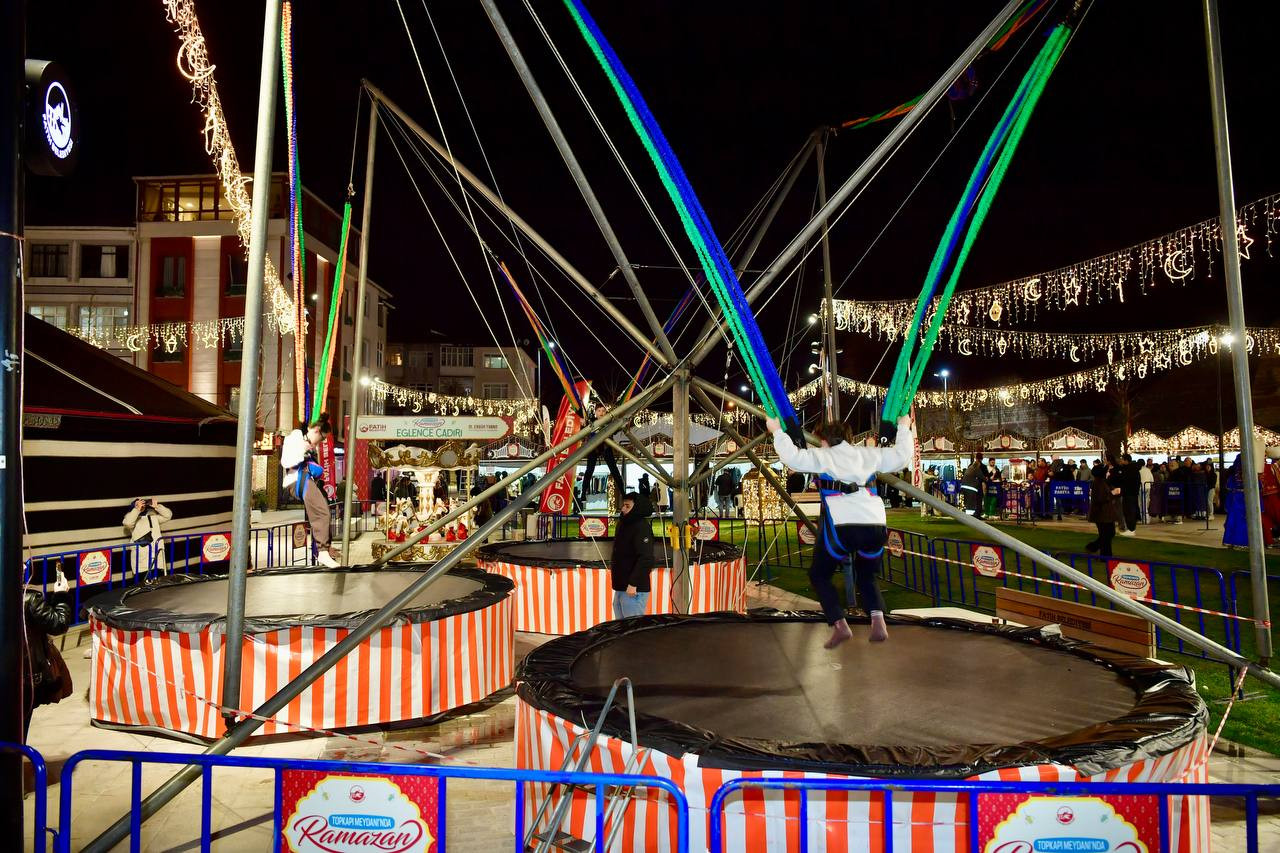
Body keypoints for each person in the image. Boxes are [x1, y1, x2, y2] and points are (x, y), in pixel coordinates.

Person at [768, 414, 914, 649]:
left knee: (819, 575)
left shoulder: (824, 456)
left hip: (843, 527)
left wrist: (776, 430)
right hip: (875, 526)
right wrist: (904, 427)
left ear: (824, 440)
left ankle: (839, 623)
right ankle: (878, 619)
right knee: (867, 575)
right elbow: (902, 458)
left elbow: (793, 458)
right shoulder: (868, 454)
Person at [281, 414, 340, 568]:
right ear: (316, 430)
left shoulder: (308, 444)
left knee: (324, 510)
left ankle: (326, 549)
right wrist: (303, 450)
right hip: (297, 481)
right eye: (321, 438)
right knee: (322, 512)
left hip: (306, 480)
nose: (320, 442)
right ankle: (322, 552)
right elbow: (285, 462)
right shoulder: (295, 437)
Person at [23, 574, 73, 738]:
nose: (25, 567)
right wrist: (61, 596)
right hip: (24, 680)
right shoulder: (29, 599)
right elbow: (58, 623)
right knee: (17, 730)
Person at [611, 492, 655, 619]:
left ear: (637, 507)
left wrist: (633, 583)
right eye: (623, 505)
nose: (623, 509)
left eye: (627, 506)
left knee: (632, 628)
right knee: (621, 627)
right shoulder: (623, 524)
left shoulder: (642, 527)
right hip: (621, 587)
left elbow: (646, 558)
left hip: (634, 589)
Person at [579, 403, 624, 505]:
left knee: (614, 470)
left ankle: (623, 492)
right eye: (599, 411)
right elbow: (583, 430)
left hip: (605, 446)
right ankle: (583, 493)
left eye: (603, 411)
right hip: (594, 447)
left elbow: (616, 430)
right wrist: (582, 424)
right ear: (595, 412)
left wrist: (620, 424)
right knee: (589, 470)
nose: (601, 413)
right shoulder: (591, 422)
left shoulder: (608, 422)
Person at [123, 497, 174, 573]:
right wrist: (137, 509)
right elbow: (128, 523)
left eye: (142, 503)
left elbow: (168, 515)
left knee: (159, 578)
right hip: (142, 560)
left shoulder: (152, 517)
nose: (141, 505)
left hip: (157, 558)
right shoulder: (131, 518)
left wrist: (157, 506)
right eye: (138, 504)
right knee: (143, 578)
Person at [1086, 461, 1122, 557]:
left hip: (1105, 513)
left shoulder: (1102, 482)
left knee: (1108, 534)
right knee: (1107, 534)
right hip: (1101, 513)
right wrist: (1112, 493)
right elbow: (1101, 498)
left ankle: (1096, 548)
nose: (1108, 473)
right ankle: (1104, 555)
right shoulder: (1099, 483)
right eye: (1107, 471)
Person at [1117, 454, 1141, 536]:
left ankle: (1131, 529)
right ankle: (1130, 528)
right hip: (1132, 493)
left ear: (1126, 460)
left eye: (1122, 459)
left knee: (1129, 511)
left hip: (1129, 493)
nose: (1121, 461)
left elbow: (1125, 481)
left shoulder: (1129, 469)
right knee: (1129, 511)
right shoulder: (1134, 469)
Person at [960, 454, 988, 520]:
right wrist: (986, 479)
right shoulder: (978, 468)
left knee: (969, 502)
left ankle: (970, 515)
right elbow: (983, 477)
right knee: (974, 502)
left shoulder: (970, 466)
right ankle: (972, 516)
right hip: (972, 487)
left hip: (965, 486)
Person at [1137, 458, 1154, 523]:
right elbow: (1152, 480)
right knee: (1146, 503)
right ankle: (1146, 518)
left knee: (1140, 503)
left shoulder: (1138, 470)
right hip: (1148, 487)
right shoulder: (1148, 470)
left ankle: (1143, 519)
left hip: (1140, 488)